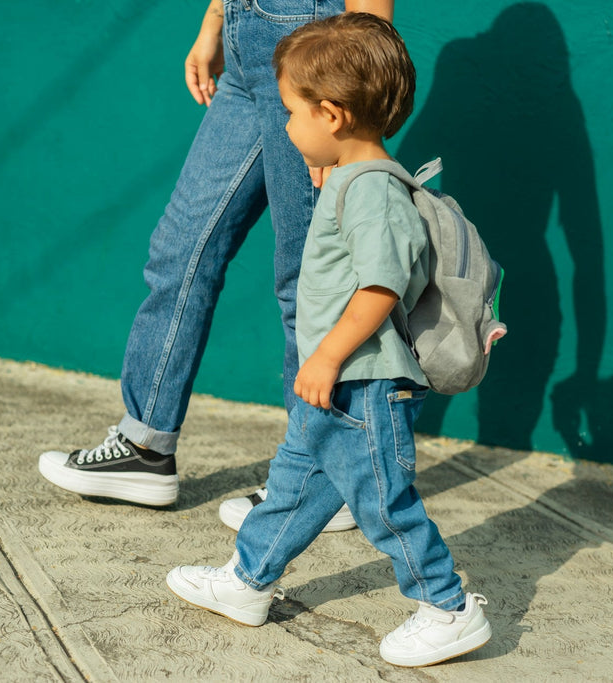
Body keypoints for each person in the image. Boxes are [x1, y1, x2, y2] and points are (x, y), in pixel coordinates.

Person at [165, 13, 491, 667]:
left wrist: (327, 355)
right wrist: (332, 170)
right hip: (341, 384)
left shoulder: (372, 194)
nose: (284, 128)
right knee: (292, 484)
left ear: (334, 115)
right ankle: (248, 580)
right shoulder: (355, 178)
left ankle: (448, 607)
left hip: (367, 383)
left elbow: (379, 287)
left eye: (292, 113)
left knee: (384, 504)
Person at [38, 0, 394, 531]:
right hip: (247, 40)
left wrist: (353, 129)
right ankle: (146, 447)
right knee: (180, 248)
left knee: (309, 279)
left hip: (313, 42)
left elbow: (371, 20)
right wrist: (216, 21)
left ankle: (323, 477)